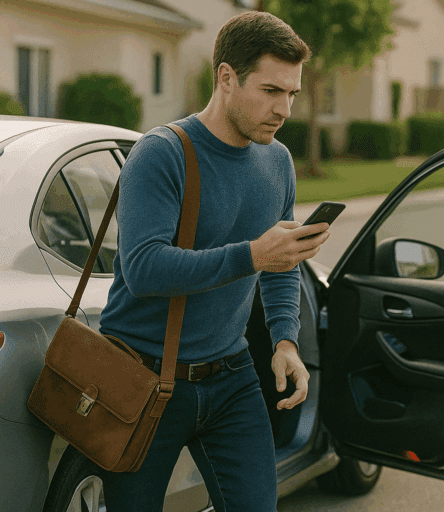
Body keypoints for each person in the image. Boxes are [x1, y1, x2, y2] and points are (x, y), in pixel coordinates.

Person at [98, 11, 328, 512]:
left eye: (291, 93)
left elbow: (280, 261)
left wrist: (286, 340)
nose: (285, 108)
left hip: (232, 376)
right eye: (271, 90)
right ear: (226, 77)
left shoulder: (278, 161)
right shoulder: (163, 153)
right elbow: (143, 268)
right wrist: (252, 255)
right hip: (144, 379)